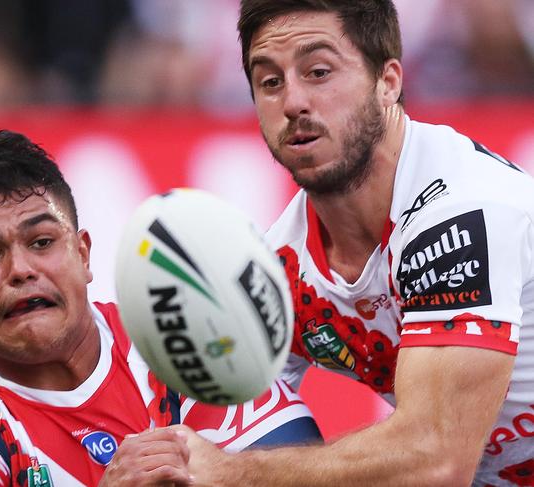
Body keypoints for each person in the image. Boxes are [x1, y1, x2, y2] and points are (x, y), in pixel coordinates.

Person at [165, 1, 534, 486]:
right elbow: (215, 435)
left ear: (389, 82)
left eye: (318, 72)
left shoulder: (459, 210)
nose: (293, 102)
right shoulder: (280, 268)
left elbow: (436, 460)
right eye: (270, 81)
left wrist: (235, 475)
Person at [0, 130, 320, 486]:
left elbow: (310, 469)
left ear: (83, 255)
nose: (21, 270)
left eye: (42, 242)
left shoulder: (179, 340)